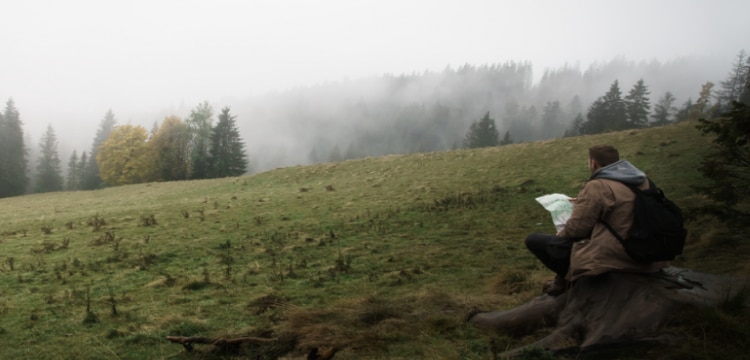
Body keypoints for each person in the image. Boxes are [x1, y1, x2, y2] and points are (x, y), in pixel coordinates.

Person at [525, 144, 668, 296]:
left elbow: (577, 229)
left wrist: (559, 235)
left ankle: (570, 281)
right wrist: (583, 202)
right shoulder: (642, 181)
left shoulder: (597, 186)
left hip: (621, 255)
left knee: (536, 241)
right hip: (650, 250)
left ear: (593, 163)